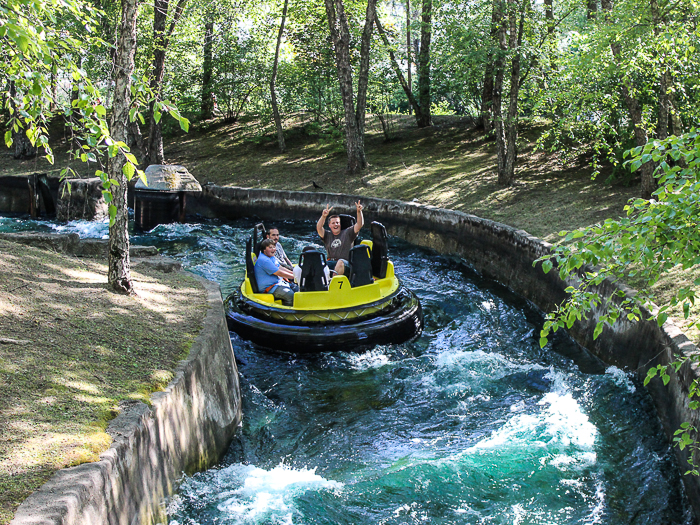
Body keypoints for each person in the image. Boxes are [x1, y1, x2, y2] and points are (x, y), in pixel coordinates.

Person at [316, 200, 364, 275]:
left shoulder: (348, 233)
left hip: (345, 264)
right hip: (330, 262)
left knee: (340, 262)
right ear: (329, 225)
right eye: (333, 223)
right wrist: (323, 216)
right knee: (318, 264)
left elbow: (359, 225)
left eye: (337, 222)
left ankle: (332, 284)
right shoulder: (327, 235)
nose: (336, 225)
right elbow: (319, 228)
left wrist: (359, 211)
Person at [254, 238, 296, 306]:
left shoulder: (271, 257)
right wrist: (295, 277)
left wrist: (294, 273)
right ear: (264, 250)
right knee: (289, 294)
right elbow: (279, 273)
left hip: (278, 283)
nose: (273, 249)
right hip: (269, 288)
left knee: (296, 288)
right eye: (270, 247)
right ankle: (286, 312)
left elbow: (280, 268)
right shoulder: (264, 260)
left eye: (274, 247)